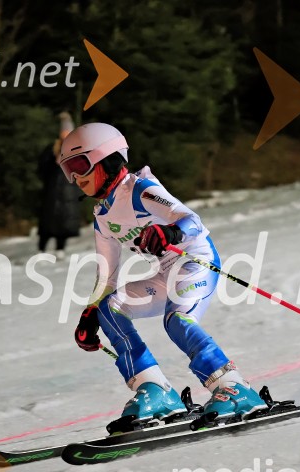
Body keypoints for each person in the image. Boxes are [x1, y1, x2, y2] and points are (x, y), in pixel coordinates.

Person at [60, 122, 268, 424]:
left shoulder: (139, 190)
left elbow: (191, 219)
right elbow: (107, 276)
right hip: (166, 273)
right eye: (69, 170)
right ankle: (154, 388)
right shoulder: (102, 216)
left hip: (196, 262)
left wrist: (170, 231)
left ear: (107, 158)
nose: (76, 177)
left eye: (80, 165)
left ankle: (233, 387)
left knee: (177, 321)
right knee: (110, 308)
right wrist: (91, 311)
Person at [36, 112, 81, 260]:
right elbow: (41, 168)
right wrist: (52, 161)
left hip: (69, 192)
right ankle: (41, 248)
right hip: (53, 190)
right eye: (63, 132)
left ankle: (60, 248)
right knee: (48, 220)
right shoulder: (52, 148)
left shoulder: (77, 150)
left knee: (64, 221)